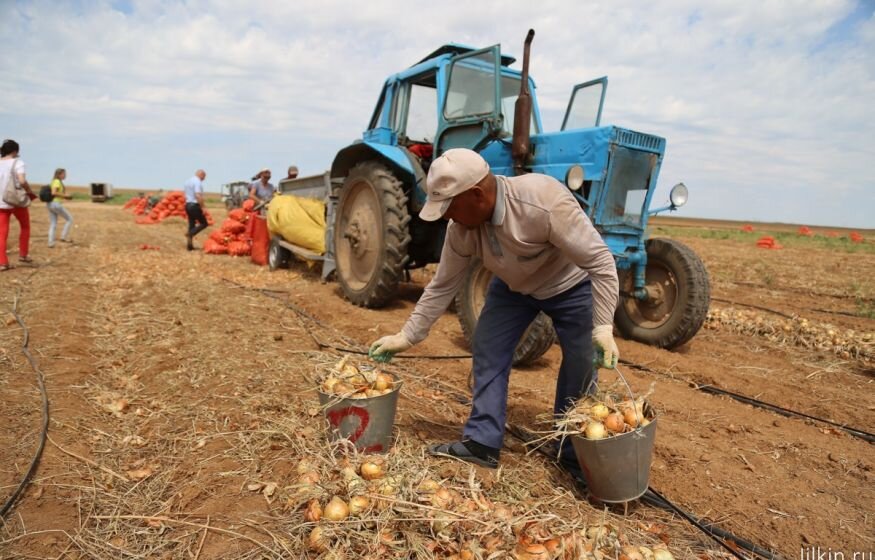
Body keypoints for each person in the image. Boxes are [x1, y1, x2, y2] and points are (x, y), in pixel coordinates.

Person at [368, 148, 619, 473]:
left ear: (476, 195)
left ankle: (572, 455)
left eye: (449, 207)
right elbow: (442, 285)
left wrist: (602, 327)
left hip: (570, 286)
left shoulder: (541, 202)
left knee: (582, 363)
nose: (446, 217)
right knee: (487, 347)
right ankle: (482, 442)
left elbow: (601, 262)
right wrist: (407, 335)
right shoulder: (462, 229)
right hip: (513, 288)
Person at [0, 139, 36, 271]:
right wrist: (29, 191)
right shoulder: (17, 162)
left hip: (1, 203)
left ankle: (3, 263)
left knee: (1, 234)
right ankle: (23, 255)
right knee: (25, 227)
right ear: (15, 151)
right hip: (16, 201)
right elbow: (21, 180)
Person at [46, 168, 74, 247]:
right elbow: (54, 192)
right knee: (70, 219)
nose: (65, 175)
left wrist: (65, 197)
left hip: (50, 204)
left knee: (53, 223)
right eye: (64, 174)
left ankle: (51, 243)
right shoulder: (57, 181)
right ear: (59, 174)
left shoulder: (54, 181)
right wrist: (66, 195)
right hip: (55, 204)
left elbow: (56, 193)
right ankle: (63, 237)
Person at [183, 169, 208, 251]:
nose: (204, 179)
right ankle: (190, 234)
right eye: (204, 177)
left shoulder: (188, 181)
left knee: (191, 224)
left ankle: (189, 246)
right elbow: (198, 195)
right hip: (194, 205)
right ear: (201, 175)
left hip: (187, 205)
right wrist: (203, 207)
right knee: (204, 223)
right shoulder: (197, 182)